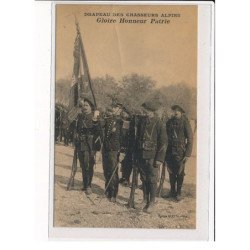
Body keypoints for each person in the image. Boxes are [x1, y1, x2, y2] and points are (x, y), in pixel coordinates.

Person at [136, 100, 167, 213]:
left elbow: (163, 142)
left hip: (153, 156)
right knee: (144, 178)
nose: (146, 112)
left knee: (152, 179)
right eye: (146, 110)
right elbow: (138, 138)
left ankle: (152, 202)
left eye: (148, 110)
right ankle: (144, 199)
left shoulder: (159, 123)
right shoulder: (142, 122)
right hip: (142, 154)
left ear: (153, 111)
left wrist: (159, 158)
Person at [165, 105, 193, 201]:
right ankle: (172, 191)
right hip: (169, 150)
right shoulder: (169, 122)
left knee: (180, 172)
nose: (175, 112)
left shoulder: (185, 122)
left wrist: (188, 154)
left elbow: (190, 139)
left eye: (178, 111)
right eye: (174, 111)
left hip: (180, 151)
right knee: (171, 171)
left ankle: (179, 192)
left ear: (181, 112)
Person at [74, 97, 100, 195]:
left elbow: (98, 131)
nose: (84, 107)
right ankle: (85, 185)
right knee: (83, 165)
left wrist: (96, 120)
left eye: (86, 105)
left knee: (89, 165)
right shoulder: (80, 116)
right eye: (83, 105)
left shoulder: (94, 117)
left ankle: (88, 186)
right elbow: (77, 129)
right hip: (80, 144)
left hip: (90, 145)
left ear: (91, 107)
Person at [102, 101, 125, 202]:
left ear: (120, 110)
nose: (113, 109)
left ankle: (113, 193)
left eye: (116, 108)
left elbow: (124, 138)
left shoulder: (122, 122)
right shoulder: (109, 120)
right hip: (106, 149)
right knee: (106, 170)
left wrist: (122, 152)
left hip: (114, 150)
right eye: (113, 108)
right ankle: (107, 190)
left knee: (113, 172)